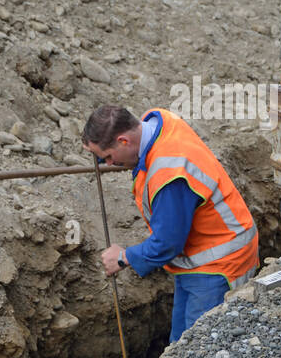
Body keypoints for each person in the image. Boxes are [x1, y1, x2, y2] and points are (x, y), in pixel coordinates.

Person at [82, 104, 260, 342]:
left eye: (107, 157)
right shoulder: (159, 122)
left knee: (202, 350)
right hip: (197, 257)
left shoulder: (169, 176)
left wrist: (124, 258)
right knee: (180, 345)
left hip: (219, 263)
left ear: (124, 141)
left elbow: (167, 244)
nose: (109, 165)